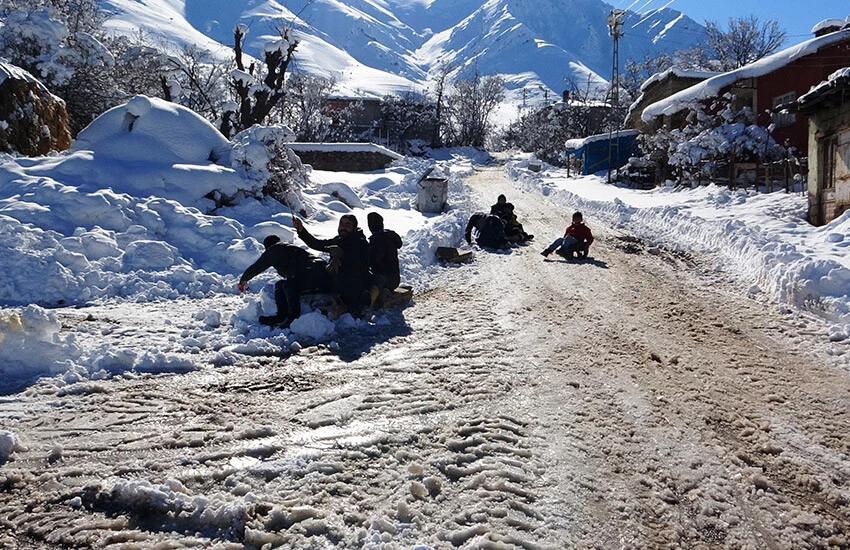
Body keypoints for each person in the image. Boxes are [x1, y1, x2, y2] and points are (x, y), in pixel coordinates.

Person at [237, 235, 333, 327]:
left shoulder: (275, 249)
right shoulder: (290, 249)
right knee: (281, 285)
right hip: (324, 275)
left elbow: (257, 267)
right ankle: (281, 316)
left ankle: (293, 318)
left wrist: (243, 281)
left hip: (313, 274)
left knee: (289, 286)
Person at [293, 214, 371, 318]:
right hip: (337, 280)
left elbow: (361, 266)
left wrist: (342, 256)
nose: (343, 227)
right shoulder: (338, 240)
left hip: (354, 283)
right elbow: (317, 244)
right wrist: (301, 230)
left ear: (354, 228)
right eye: (341, 224)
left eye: (347, 225)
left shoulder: (361, 243)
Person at [366, 212, 403, 306]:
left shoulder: (378, 239)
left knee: (372, 280)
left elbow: (375, 260)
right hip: (394, 279)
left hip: (384, 280)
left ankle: (369, 301)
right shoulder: (389, 236)